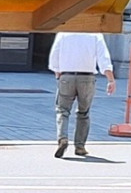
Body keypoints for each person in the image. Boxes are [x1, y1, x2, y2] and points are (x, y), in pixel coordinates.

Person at [47, 30, 117, 158]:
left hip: (67, 76)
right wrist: (110, 79)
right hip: (87, 77)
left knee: (62, 110)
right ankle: (80, 146)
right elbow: (103, 57)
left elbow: (54, 55)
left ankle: (63, 138)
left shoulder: (63, 32)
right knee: (83, 112)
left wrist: (57, 73)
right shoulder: (95, 34)